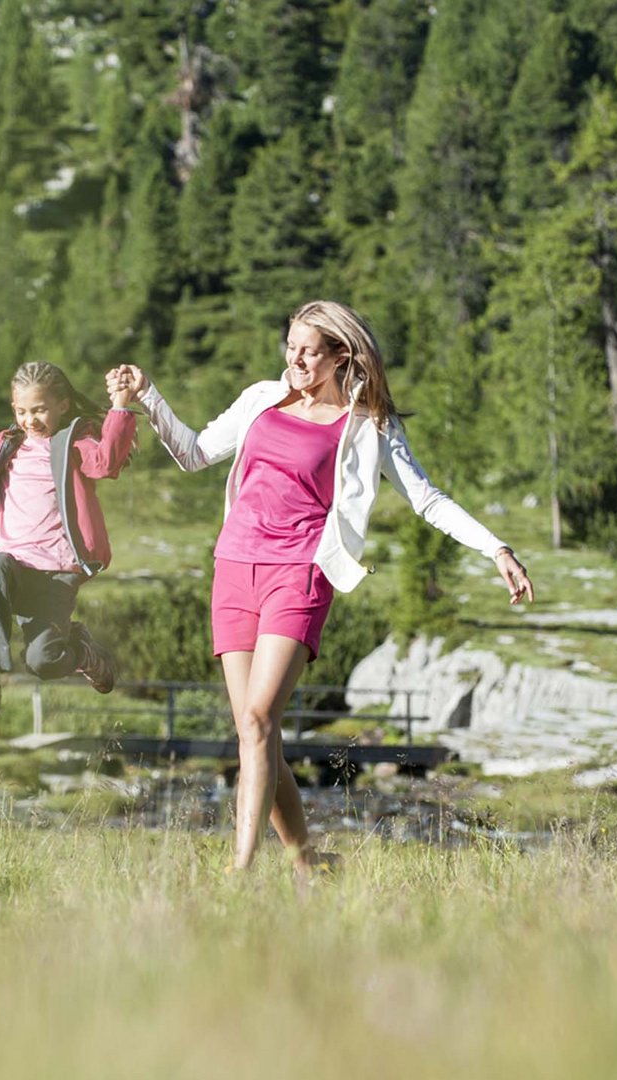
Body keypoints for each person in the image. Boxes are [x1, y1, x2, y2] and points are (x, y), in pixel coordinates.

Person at [111, 300, 534, 875]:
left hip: (300, 573)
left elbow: (426, 499)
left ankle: (240, 871)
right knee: (254, 731)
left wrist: (497, 548)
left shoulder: (369, 424)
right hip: (234, 566)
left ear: (341, 355)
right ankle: (307, 858)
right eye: (291, 347)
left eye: (310, 350)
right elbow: (193, 453)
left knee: (259, 720)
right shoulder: (262, 398)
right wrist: (149, 395)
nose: (296, 359)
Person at [0, 361, 137, 714]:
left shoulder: (73, 444)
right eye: (22, 411)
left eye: (39, 410)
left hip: (56, 574)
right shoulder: (4, 447)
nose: (31, 420)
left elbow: (106, 463)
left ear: (62, 405)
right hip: (12, 565)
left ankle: (82, 650)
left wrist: (120, 407)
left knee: (43, 661)